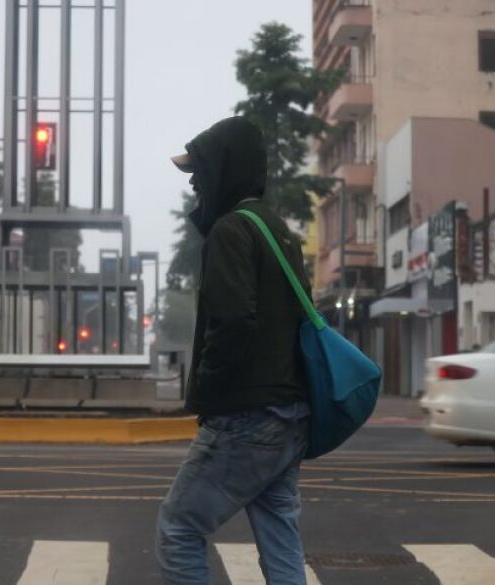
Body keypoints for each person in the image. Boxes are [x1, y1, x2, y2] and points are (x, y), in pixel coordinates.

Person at [156, 116, 312, 585]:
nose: (193, 183)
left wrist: (208, 390)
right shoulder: (278, 232)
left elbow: (233, 322)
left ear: (223, 168)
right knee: (279, 533)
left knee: (179, 528)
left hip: (247, 416)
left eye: (198, 171)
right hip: (290, 415)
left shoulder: (230, 230)